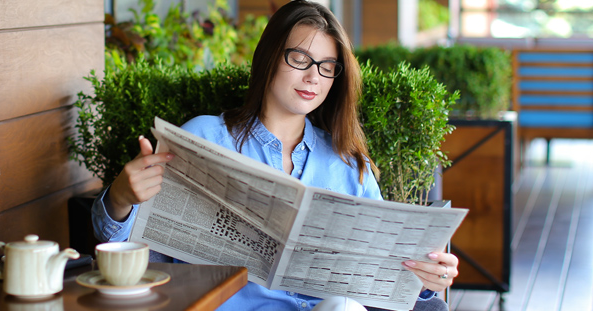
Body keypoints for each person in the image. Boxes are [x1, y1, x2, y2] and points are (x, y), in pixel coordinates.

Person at [92, 1, 458, 310]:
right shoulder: (204, 137)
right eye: (300, 57)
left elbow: (385, 278)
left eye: (327, 66)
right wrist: (122, 196)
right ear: (269, 58)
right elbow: (128, 253)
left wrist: (425, 276)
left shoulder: (348, 164)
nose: (314, 76)